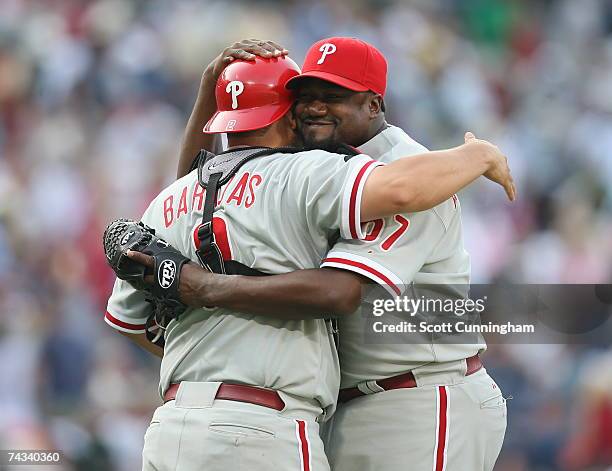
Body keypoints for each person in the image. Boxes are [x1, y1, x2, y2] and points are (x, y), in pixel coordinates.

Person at [104, 54, 513, 471]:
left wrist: (209, 332)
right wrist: (477, 156)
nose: (314, 108)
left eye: (331, 96)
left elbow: (130, 325)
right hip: (274, 423)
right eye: (305, 98)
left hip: (179, 424)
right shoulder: (305, 174)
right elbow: (349, 275)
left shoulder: (166, 203)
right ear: (287, 114)